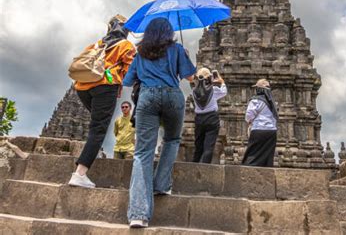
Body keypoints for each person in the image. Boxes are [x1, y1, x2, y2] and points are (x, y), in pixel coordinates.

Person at [123, 18, 196, 228]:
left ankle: (138, 214)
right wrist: (185, 57)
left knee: (142, 153)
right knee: (172, 140)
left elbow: (127, 81)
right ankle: (161, 184)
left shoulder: (140, 53)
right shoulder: (177, 49)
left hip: (147, 97)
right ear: (168, 32)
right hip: (173, 96)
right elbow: (190, 77)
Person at [68, 14, 136, 188]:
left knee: (96, 125)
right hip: (105, 86)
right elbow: (130, 72)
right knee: (98, 128)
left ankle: (90, 153)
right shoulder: (126, 45)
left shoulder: (98, 43)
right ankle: (80, 173)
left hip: (82, 87)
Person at [192, 68, 227, 163]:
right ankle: (205, 167)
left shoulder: (194, 91)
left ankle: (194, 165)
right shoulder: (213, 89)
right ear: (209, 78)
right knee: (209, 146)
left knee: (198, 146)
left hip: (199, 119)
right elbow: (224, 91)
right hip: (211, 118)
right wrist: (221, 81)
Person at [242, 79, 279, 167]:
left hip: (258, 130)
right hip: (271, 132)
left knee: (252, 155)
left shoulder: (255, 100)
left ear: (259, 90)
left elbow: (248, 116)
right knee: (267, 157)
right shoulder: (273, 103)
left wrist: (250, 122)